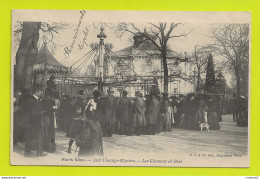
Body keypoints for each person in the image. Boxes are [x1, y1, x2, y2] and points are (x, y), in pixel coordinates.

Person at [76, 91, 103, 156]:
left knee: (85, 135)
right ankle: (96, 152)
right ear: (99, 96)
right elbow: (98, 112)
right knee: (97, 136)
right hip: (93, 121)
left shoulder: (91, 101)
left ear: (93, 95)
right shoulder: (98, 102)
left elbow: (86, 111)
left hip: (88, 121)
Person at [23, 85, 46, 157]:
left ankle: (39, 152)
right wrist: (41, 112)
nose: (42, 93)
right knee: (30, 137)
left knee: (38, 137)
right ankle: (27, 153)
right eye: (41, 92)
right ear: (37, 92)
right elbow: (29, 111)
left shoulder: (36, 100)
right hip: (32, 122)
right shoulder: (31, 100)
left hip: (35, 121)